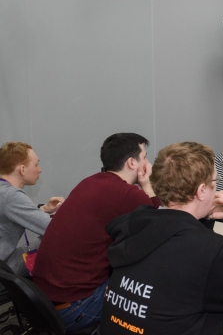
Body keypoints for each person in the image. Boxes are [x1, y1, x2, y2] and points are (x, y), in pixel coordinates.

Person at [99, 142, 223, 334]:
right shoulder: (210, 250)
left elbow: (184, 246)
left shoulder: (134, 225)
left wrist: (203, 213)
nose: (216, 188)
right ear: (201, 191)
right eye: (215, 181)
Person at [33, 133, 162, 332]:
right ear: (131, 162)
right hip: (75, 307)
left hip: (42, 299)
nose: (148, 163)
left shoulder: (90, 181)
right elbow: (160, 221)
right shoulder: (126, 194)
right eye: (144, 157)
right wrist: (146, 184)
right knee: (149, 296)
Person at [0, 142, 64, 276]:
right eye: (36, 164)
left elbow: (12, 211)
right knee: (52, 239)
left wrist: (44, 208)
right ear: (22, 169)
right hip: (4, 269)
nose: (39, 170)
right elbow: (54, 229)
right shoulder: (11, 195)